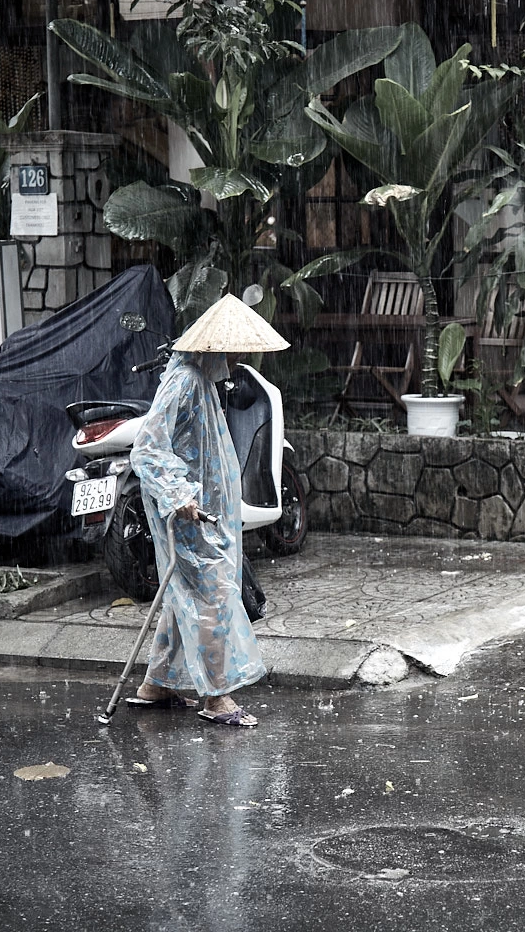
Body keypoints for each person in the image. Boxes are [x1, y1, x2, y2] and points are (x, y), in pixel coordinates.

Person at [124, 294, 290, 728]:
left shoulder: (200, 380)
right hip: (189, 513)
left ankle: (156, 684)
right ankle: (217, 698)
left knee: (185, 594)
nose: (238, 360)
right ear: (214, 349)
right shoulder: (184, 382)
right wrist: (179, 496)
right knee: (213, 597)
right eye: (234, 352)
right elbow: (149, 447)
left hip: (203, 509)